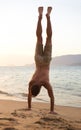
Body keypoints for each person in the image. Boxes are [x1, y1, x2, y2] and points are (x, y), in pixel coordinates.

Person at [28, 7, 55, 114]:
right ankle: (40, 17)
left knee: (49, 37)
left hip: (46, 61)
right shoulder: (31, 82)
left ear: (40, 89)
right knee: (39, 37)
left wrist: (52, 110)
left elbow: (52, 97)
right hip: (38, 61)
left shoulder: (46, 83)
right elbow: (30, 95)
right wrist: (29, 106)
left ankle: (48, 17)